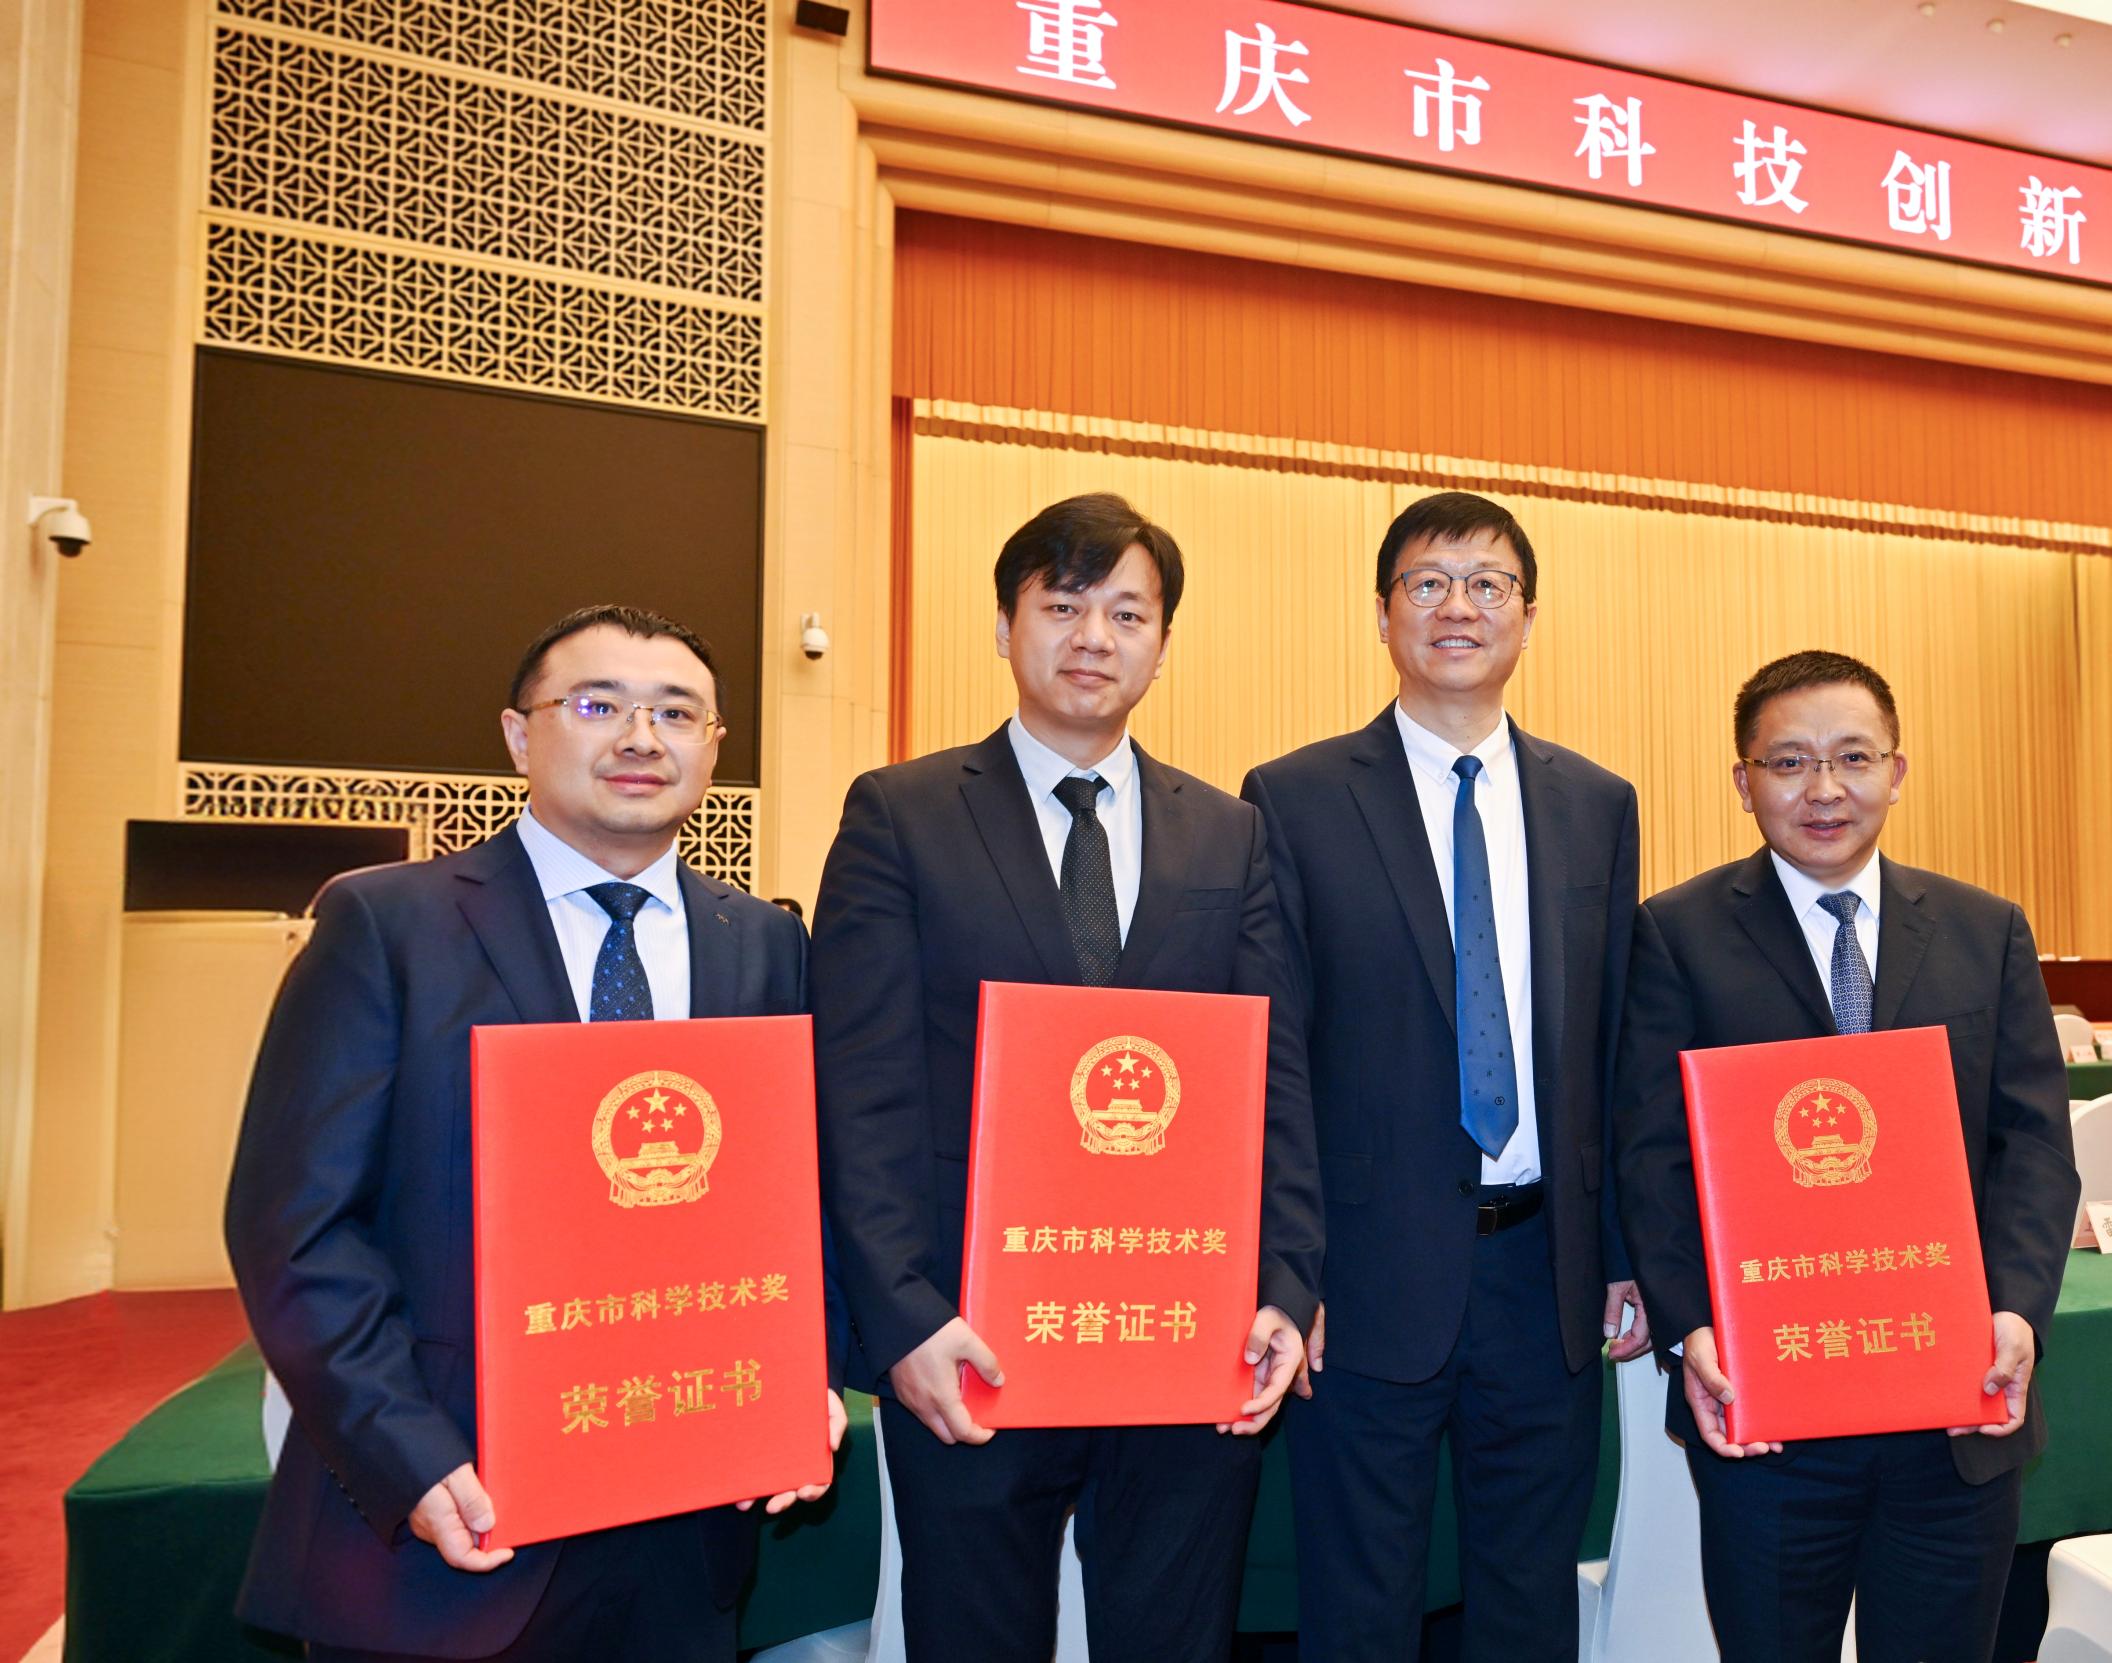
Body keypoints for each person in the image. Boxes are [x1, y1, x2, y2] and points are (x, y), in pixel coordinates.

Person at [224, 605, 838, 1662]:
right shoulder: (387, 924)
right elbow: (295, 1229)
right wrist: (407, 1455)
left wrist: (791, 1379)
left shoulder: (764, 943)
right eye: (599, 706)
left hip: (686, 1521)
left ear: (714, 748)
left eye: (677, 713)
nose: (641, 738)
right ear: (519, 735)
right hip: (453, 1515)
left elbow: (789, 1198)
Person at [811, 492, 1321, 1662]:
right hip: (972, 1342)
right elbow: (861, 1090)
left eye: (1127, 613)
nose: (1095, 636)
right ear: (1005, 626)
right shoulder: (902, 815)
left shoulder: (1230, 834)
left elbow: (1275, 1081)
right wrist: (905, 1317)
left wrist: (1286, 1285)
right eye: (1063, 605)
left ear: (1163, 645)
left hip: (1185, 1333)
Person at [1241, 491, 1648, 1662]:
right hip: (1364, 1274)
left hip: (1545, 1269)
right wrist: (1290, 1265)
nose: (1458, 606)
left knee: (1529, 1598)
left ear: (1528, 615)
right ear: (1383, 615)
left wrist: (1621, 1249)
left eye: (1488, 584)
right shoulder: (1294, 798)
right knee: (1360, 1599)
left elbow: (1614, 1043)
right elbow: (1276, 1055)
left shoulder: (1596, 804)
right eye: (1427, 582)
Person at [1613, 649, 2080, 1663]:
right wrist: (1690, 1325)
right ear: (1744, 783)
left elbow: (2035, 1144)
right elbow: (1651, 1156)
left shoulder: (1985, 929)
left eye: (1853, 757)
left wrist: (2015, 1310)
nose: (1823, 788)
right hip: (1772, 1412)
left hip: (1956, 1411)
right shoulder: (1677, 934)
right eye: (1789, 762)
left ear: (1897, 772)